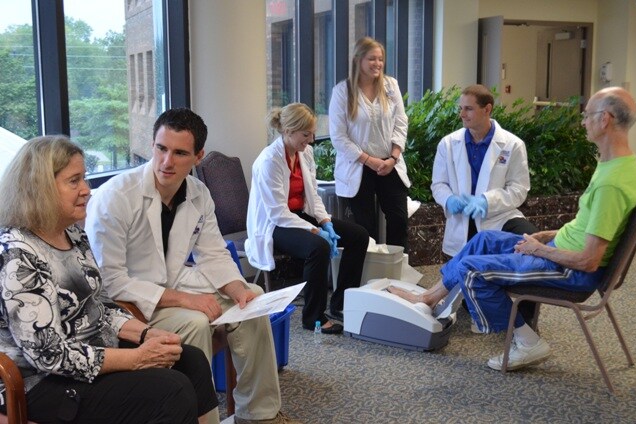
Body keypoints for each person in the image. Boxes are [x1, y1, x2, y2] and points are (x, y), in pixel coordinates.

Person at [389, 87, 636, 371]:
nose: (583, 122)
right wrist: (550, 235)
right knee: (483, 240)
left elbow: (588, 260)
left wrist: (540, 248)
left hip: (573, 270)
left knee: (472, 270)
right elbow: (589, 227)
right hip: (562, 250)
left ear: (604, 119)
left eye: (587, 115)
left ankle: (528, 341)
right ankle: (429, 298)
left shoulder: (611, 183)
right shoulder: (617, 166)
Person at [84, 109, 299, 424]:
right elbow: (110, 281)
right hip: (130, 303)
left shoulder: (198, 193)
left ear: (197, 157)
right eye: (161, 148)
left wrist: (238, 290)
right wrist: (185, 299)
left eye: (180, 153)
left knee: (253, 298)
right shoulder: (116, 197)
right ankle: (203, 419)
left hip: (172, 286)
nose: (167, 161)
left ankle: (259, 414)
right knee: (195, 321)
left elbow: (213, 253)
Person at [0, 136, 216, 423]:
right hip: (41, 383)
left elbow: (103, 306)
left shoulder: (73, 235)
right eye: (74, 181)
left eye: (84, 179)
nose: (87, 191)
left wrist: (145, 334)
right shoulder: (17, 254)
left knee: (190, 361)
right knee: (171, 390)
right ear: (40, 188)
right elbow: (50, 355)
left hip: (94, 354)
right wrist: (138, 358)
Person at [245, 103, 369, 333]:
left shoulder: (305, 153)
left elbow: (313, 196)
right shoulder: (269, 161)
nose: (311, 139)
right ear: (288, 131)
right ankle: (313, 317)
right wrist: (316, 232)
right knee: (318, 247)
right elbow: (277, 213)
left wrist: (326, 222)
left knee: (358, 236)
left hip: (297, 216)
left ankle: (341, 303)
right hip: (274, 225)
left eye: (312, 133)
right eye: (306, 134)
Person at [432, 84, 538, 258]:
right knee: (461, 274)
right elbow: (439, 184)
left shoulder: (513, 144)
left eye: (468, 109)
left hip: (499, 217)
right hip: (462, 220)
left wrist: (486, 202)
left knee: (531, 240)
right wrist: (449, 199)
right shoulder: (448, 143)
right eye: (461, 109)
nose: (462, 115)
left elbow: (519, 190)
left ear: (487, 109)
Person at [329, 36, 411, 249]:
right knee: (366, 227)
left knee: (399, 220)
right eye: (372, 59)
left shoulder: (390, 86)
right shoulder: (342, 92)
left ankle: (397, 271)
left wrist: (393, 156)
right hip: (359, 165)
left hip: (389, 163)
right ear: (358, 60)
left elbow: (401, 122)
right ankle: (370, 277)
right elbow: (338, 136)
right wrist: (369, 160)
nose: (377, 63)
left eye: (380, 59)